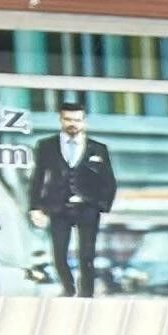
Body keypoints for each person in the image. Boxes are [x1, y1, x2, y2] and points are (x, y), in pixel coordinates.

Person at [30, 101, 115, 299]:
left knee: (86, 256)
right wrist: (35, 207)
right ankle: (68, 289)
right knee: (59, 255)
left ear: (84, 122)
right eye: (68, 119)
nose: (72, 124)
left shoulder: (98, 149)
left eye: (77, 120)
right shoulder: (46, 146)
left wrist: (102, 205)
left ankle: (87, 294)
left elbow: (108, 180)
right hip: (58, 207)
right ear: (61, 119)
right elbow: (38, 178)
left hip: (87, 209)